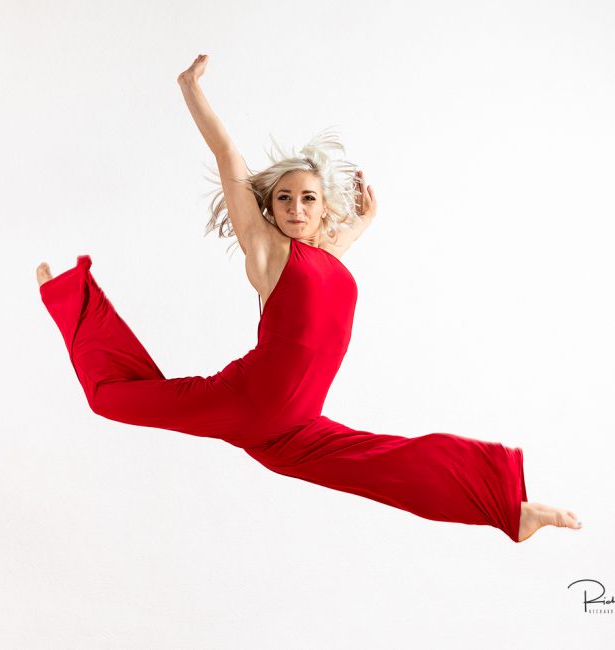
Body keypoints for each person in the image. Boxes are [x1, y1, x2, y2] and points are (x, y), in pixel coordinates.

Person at [36, 53, 583, 544]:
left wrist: (367, 220)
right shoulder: (270, 253)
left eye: (308, 199)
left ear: (324, 208)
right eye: (284, 199)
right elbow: (228, 154)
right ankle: (71, 296)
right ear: (269, 209)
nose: (296, 208)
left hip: (295, 427)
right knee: (108, 398)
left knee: (390, 463)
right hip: (245, 403)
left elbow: (342, 242)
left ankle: (510, 510)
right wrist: (191, 89)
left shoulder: (330, 257)